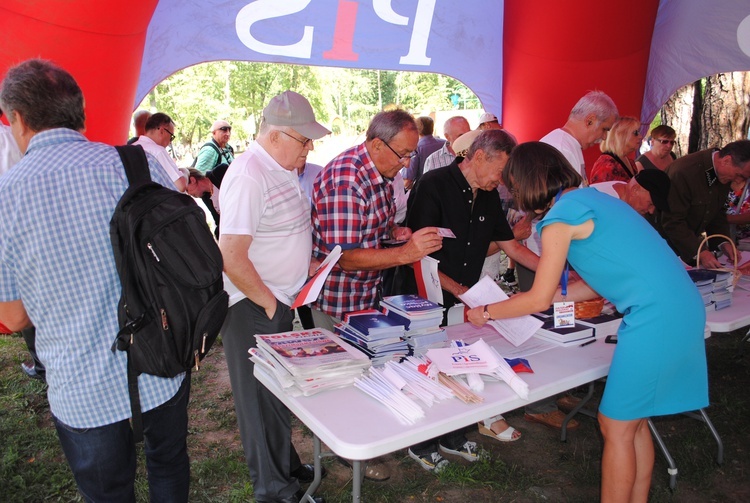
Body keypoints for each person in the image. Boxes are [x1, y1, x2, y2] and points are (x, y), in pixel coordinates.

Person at [467, 141, 708, 503]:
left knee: (615, 424)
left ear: (525, 183)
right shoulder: (593, 200)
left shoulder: (561, 219)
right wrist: (550, 300)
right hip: (679, 308)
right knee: (634, 422)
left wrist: (485, 312)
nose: (512, 194)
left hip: (656, 318)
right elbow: (601, 279)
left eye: (512, 186)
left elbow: (538, 297)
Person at [0, 58, 190, 502]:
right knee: (168, 468)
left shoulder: (6, 197)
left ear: (19, 120)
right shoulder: (135, 164)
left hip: (80, 388)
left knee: (108, 493)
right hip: (161, 364)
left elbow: (13, 315)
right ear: (79, 114)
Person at [219, 90, 330, 503]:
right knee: (258, 402)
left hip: (277, 298)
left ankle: (284, 464)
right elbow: (230, 254)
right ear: (279, 135)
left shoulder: (280, 166)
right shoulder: (250, 174)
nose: (310, 148)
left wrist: (307, 265)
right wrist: (268, 302)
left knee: (277, 393)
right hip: (252, 304)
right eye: (304, 141)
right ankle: (275, 491)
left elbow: (281, 231)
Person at [406, 129, 537, 471]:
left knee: (461, 366)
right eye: (501, 171)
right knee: (428, 368)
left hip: (463, 296)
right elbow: (418, 256)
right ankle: (421, 442)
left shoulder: (490, 197)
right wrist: (462, 292)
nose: (503, 180)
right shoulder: (433, 185)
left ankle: (454, 435)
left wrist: (558, 273)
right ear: (478, 157)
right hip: (425, 295)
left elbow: (512, 248)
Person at [311, 109, 443, 327]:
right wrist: (404, 253)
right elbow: (346, 258)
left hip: (367, 295)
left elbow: (369, 225)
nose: (407, 163)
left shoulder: (380, 170)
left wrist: (393, 231)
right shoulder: (346, 181)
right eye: (402, 154)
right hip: (341, 302)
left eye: (411, 154)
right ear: (377, 145)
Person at [660, 140, 750, 267]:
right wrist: (699, 251)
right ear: (726, 161)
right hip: (663, 248)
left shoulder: (721, 174)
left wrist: (723, 242)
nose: (739, 181)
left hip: (686, 248)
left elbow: (716, 212)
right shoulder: (685, 172)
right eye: (739, 175)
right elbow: (672, 221)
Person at [540, 90, 619, 185]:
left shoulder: (567, 145)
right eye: (604, 129)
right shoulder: (561, 149)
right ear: (590, 121)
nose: (605, 137)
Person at [133, 112, 187, 192]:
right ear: (162, 131)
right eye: (171, 137)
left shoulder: (131, 147)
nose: (170, 142)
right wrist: (185, 172)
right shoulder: (157, 151)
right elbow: (180, 186)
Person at [591, 169, 672, 216]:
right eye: (650, 204)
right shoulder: (606, 202)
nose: (651, 211)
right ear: (635, 190)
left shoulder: (621, 188)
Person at [589, 116, 643, 184]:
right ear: (620, 136)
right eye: (635, 133)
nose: (640, 136)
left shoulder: (629, 161)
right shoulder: (606, 165)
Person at [402, 116, 445, 189]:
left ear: (416, 129)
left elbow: (407, 181)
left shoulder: (415, 148)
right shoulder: (445, 144)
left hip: (424, 192)